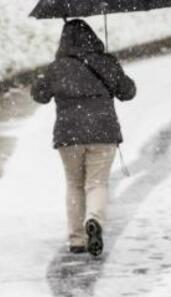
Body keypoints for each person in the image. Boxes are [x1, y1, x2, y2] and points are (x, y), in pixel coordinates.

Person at [31, 19, 136, 257]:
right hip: (103, 132)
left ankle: (77, 239)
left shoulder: (57, 67)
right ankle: (94, 220)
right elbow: (128, 92)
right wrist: (111, 67)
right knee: (97, 183)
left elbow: (39, 95)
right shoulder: (105, 62)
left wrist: (45, 77)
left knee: (74, 184)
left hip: (69, 135)